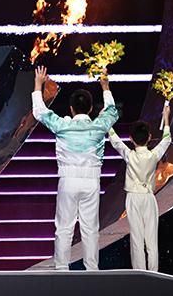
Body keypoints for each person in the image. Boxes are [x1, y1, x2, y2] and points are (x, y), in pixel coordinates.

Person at [32, 66, 119, 271]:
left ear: (71, 108)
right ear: (91, 108)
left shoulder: (62, 125)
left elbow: (39, 112)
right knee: (90, 229)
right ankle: (92, 270)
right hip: (91, 183)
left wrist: (38, 84)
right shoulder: (99, 126)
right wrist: (105, 86)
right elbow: (112, 112)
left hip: (68, 182)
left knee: (64, 227)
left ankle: (62, 269)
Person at [108, 106, 171, 271]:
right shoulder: (153, 155)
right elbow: (166, 139)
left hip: (133, 198)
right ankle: (154, 273)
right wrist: (166, 118)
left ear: (131, 139)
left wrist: (108, 122)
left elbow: (115, 140)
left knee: (137, 238)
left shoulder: (130, 155)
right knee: (151, 239)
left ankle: (140, 273)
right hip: (149, 198)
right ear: (149, 137)